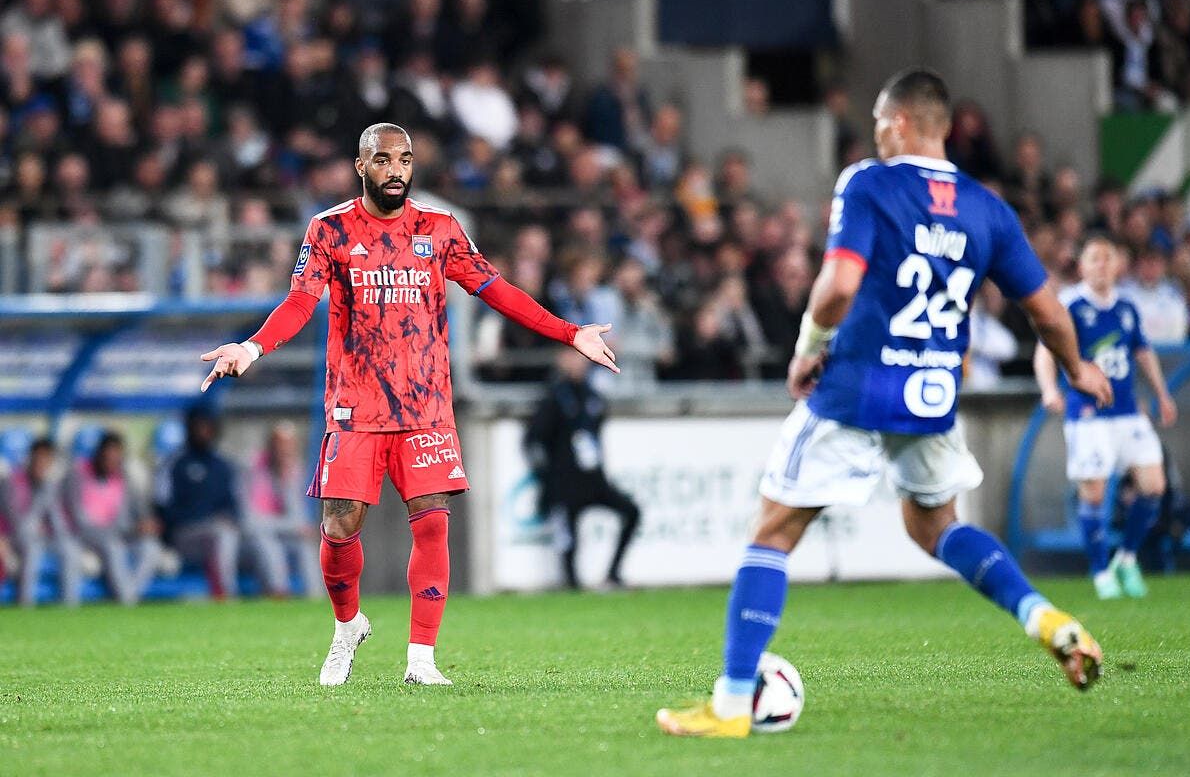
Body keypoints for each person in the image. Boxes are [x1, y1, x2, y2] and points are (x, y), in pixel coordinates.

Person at [656, 68, 1115, 738]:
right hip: (932, 393)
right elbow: (1045, 309)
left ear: (899, 123)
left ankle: (729, 705)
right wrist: (1078, 368)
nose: (874, 132)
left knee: (775, 531)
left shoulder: (869, 182)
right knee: (933, 526)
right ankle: (1047, 618)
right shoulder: (989, 209)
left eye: (878, 120)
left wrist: (808, 345)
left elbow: (839, 285)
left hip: (857, 386)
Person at [198, 123, 618, 687]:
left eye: (405, 159)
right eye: (383, 159)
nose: (396, 169)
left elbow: (498, 290)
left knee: (433, 527)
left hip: (425, 406)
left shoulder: (439, 229)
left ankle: (421, 659)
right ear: (360, 165)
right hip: (355, 406)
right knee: (340, 526)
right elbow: (300, 301)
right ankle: (347, 627)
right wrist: (252, 346)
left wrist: (570, 334)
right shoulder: (330, 229)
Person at [1034, 237, 1175, 600]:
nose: (1100, 265)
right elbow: (1046, 350)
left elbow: (1142, 352)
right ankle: (1100, 572)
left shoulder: (1127, 306)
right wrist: (1049, 389)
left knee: (1154, 484)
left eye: (1106, 258)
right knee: (1094, 493)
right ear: (1082, 266)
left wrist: (1161, 393)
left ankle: (1126, 558)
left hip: (1128, 410)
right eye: (1093, 258)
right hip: (1087, 414)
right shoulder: (1070, 304)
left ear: (1117, 266)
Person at [524, 350, 641, 589]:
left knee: (631, 512)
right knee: (569, 537)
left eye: (581, 358)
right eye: (572, 357)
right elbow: (534, 439)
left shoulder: (592, 396)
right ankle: (572, 584)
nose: (578, 363)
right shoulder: (554, 397)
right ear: (562, 360)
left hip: (594, 480)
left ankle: (613, 574)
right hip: (566, 482)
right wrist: (548, 479)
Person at [63, 430, 163, 605]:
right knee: (113, 546)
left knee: (150, 547)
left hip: (121, 534)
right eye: (108, 456)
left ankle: (130, 595)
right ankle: (126, 601)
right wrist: (129, 529)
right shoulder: (78, 475)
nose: (112, 461)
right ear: (98, 454)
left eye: (117, 457)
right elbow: (80, 521)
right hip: (87, 536)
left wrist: (146, 524)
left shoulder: (124, 478)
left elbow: (140, 511)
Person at [157, 408, 242, 599]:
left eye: (208, 427)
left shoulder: (223, 465)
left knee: (245, 537)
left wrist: (228, 518)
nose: (204, 432)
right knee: (220, 535)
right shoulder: (174, 463)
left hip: (219, 533)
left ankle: (280, 598)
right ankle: (225, 596)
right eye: (199, 426)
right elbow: (163, 507)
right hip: (184, 535)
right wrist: (201, 518)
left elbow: (233, 505)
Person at [240, 422, 323, 598]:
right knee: (269, 544)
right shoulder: (252, 469)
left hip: (282, 536)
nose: (284, 451)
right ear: (270, 445)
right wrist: (293, 527)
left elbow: (298, 518)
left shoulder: (294, 473)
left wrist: (287, 483)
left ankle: (317, 599)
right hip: (250, 541)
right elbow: (250, 522)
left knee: (305, 546)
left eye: (289, 446)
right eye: (280, 445)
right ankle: (279, 597)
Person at [0, 437, 81, 607]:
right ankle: (25, 603)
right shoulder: (11, 481)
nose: (41, 463)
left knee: (69, 548)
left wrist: (62, 536)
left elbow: (56, 519)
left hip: (42, 535)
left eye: (47, 459)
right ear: (30, 457)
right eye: (38, 458)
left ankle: (69, 605)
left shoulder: (50, 485)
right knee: (32, 548)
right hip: (13, 536)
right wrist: (41, 498)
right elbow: (15, 522)